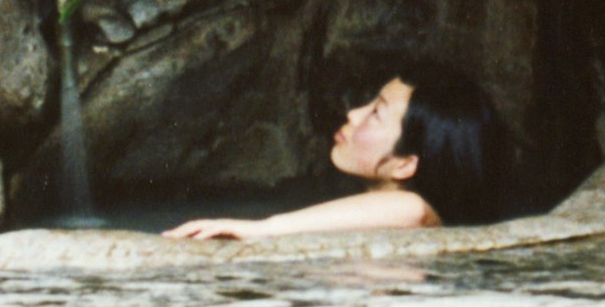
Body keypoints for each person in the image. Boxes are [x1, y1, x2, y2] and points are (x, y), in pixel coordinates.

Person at [167, 70, 508, 242]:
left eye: (376, 113)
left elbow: (412, 211)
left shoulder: (416, 211)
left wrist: (258, 230)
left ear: (406, 164)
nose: (354, 113)